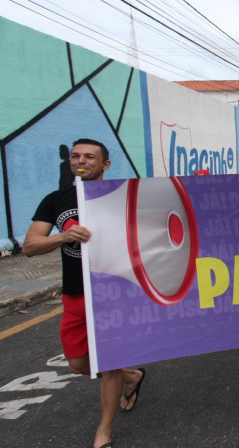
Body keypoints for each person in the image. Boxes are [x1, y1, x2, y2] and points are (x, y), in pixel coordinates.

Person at [22, 139, 146, 448]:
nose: (82, 160)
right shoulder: (56, 199)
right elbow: (29, 246)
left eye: (90, 157)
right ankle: (130, 378)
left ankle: (103, 431)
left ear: (105, 164)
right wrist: (63, 236)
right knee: (78, 364)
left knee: (108, 362)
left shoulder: (125, 195)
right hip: (76, 294)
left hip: (113, 292)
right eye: (76, 156)